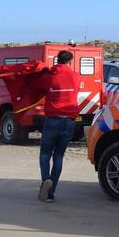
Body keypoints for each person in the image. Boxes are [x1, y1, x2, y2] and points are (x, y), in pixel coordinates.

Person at [29, 50, 80, 202]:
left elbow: (34, 84)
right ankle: (51, 193)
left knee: (45, 154)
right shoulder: (76, 76)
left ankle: (46, 180)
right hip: (69, 121)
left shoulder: (49, 77)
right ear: (70, 61)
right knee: (58, 156)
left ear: (57, 60)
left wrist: (43, 71)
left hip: (52, 120)